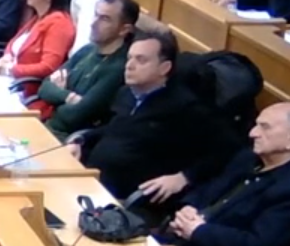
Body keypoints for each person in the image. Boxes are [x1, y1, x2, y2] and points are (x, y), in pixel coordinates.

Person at [67, 27, 234, 204]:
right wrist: (82, 141)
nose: (129, 65)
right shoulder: (126, 93)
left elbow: (227, 147)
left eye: (141, 60)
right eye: (129, 58)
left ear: (164, 68)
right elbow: (115, 129)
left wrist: (183, 177)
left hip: (125, 200)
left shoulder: (185, 107)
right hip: (89, 179)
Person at [164, 102, 290, 246]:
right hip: (183, 243)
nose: (253, 133)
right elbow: (209, 189)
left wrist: (198, 231)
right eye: (256, 125)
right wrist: (188, 209)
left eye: (265, 127)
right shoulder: (248, 158)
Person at [40, 0, 136, 139]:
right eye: (96, 15)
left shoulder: (118, 68)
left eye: (104, 19)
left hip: (65, 139)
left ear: (124, 30)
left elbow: (72, 117)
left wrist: (57, 94)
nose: (93, 23)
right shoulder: (88, 50)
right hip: (45, 125)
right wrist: (69, 96)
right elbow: (44, 87)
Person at [0, 0, 76, 115]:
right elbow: (14, 43)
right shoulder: (38, 16)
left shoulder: (59, 24)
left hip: (26, 92)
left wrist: (12, 70)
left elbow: (48, 67)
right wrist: (7, 56)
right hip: (9, 82)